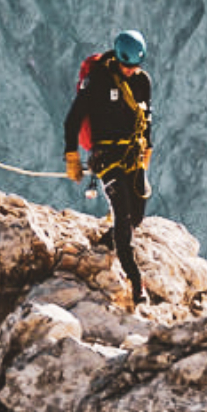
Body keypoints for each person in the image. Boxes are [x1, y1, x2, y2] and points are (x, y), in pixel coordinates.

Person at [65, 29, 153, 304]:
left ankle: (105, 244)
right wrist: (72, 156)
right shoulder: (99, 80)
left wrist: (147, 148)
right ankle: (137, 284)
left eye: (135, 66)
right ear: (117, 58)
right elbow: (73, 118)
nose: (130, 71)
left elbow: (146, 118)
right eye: (127, 65)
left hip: (132, 155)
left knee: (137, 215)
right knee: (124, 215)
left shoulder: (142, 82)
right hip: (107, 158)